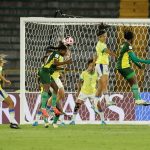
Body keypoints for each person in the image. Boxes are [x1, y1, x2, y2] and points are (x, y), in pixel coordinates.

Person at [38, 42, 72, 127]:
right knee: (54, 94)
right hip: (49, 76)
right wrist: (66, 62)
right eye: (65, 51)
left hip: (51, 77)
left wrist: (63, 68)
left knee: (58, 94)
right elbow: (55, 64)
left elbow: (55, 67)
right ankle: (46, 114)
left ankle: (54, 120)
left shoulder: (58, 56)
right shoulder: (56, 55)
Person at [116, 30, 150, 105]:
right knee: (134, 81)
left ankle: (138, 99)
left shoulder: (122, 44)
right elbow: (134, 58)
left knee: (133, 82)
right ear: (132, 38)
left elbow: (130, 58)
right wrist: (147, 61)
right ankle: (138, 99)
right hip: (124, 66)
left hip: (120, 66)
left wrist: (138, 65)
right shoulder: (128, 45)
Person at [70, 58, 106, 125]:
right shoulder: (84, 73)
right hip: (84, 92)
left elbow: (99, 83)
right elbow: (80, 82)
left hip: (93, 92)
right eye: (90, 66)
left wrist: (99, 92)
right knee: (77, 104)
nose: (91, 67)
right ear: (88, 66)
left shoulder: (96, 74)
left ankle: (103, 120)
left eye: (93, 66)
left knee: (98, 105)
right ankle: (73, 120)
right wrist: (78, 92)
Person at [94, 23, 117, 107]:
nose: (105, 37)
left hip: (103, 65)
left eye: (106, 36)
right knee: (104, 84)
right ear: (99, 37)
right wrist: (117, 56)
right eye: (104, 36)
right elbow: (108, 51)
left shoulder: (101, 44)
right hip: (101, 65)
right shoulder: (101, 44)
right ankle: (107, 101)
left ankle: (94, 104)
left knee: (101, 86)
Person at [0, 55, 20, 129]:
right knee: (11, 103)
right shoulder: (0, 67)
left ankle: (13, 122)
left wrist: (5, 80)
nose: (3, 63)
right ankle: (12, 123)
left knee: (11, 103)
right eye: (2, 61)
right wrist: (6, 81)